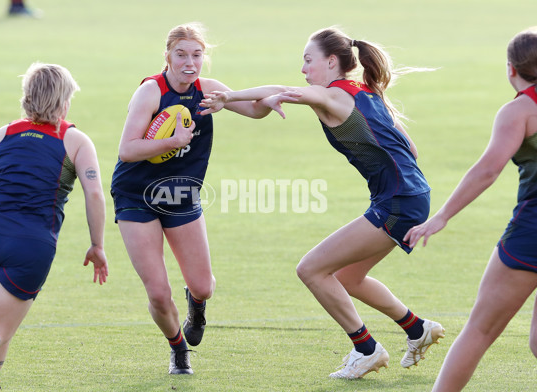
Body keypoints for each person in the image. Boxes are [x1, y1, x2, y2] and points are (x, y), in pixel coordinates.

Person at [200, 26, 445, 380]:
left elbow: (281, 91)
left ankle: (366, 349)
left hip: (397, 202)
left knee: (311, 269)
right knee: (349, 276)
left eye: (308, 60)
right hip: (411, 196)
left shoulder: (332, 97)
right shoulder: (365, 92)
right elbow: (411, 150)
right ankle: (416, 328)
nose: (303, 69)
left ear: (331, 61)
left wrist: (229, 96)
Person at [110, 22, 275, 375]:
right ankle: (178, 349)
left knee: (203, 286)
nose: (189, 62)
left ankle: (196, 305)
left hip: (181, 194)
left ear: (205, 58)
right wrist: (173, 142)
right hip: (135, 196)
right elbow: (127, 150)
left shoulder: (209, 90)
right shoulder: (150, 92)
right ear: (167, 56)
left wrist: (269, 102)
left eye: (197, 55)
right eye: (181, 55)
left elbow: (254, 110)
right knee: (157, 291)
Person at [0, 62, 108, 392]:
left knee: (0, 325)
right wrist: (97, 245)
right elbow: (95, 194)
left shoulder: (3, 133)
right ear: (63, 101)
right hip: (29, 244)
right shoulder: (75, 140)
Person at [403, 27, 537, 391]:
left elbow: (488, 169)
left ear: (511, 68)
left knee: (480, 329)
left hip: (532, 234)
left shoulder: (520, 110)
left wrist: (442, 216)